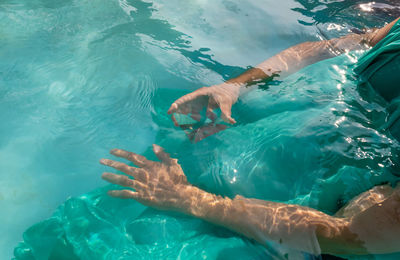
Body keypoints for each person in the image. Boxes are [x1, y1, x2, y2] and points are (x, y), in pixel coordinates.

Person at [100, 17, 400, 256]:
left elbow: (352, 237)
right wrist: (234, 87)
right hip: (303, 136)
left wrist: (190, 200)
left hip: (316, 208)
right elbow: (345, 45)